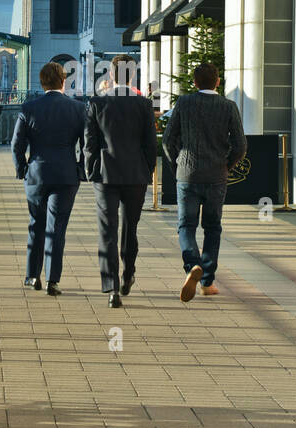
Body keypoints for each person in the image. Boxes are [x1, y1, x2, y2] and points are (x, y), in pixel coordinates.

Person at [162, 62, 247, 302]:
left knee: (186, 226)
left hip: (187, 175)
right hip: (216, 176)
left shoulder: (184, 103)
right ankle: (207, 282)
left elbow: (168, 140)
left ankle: (192, 266)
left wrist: (176, 166)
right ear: (218, 82)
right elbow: (240, 146)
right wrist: (226, 166)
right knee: (212, 227)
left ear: (195, 82)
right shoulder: (229, 107)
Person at [84, 54, 157, 309]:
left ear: (112, 75)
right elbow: (150, 143)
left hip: (106, 174)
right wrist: (148, 169)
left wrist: (90, 169)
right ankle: (128, 274)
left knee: (107, 230)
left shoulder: (97, 103)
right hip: (136, 175)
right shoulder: (144, 104)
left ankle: (112, 287)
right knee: (130, 228)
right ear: (133, 75)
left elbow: (90, 143)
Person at [11, 61, 85, 296]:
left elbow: (16, 145)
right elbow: (87, 144)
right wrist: (81, 169)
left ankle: (32, 276)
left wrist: (22, 168)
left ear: (42, 83)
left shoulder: (29, 108)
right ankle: (53, 280)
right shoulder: (77, 108)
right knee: (57, 227)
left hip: (36, 174)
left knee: (36, 224)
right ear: (63, 81)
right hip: (65, 175)